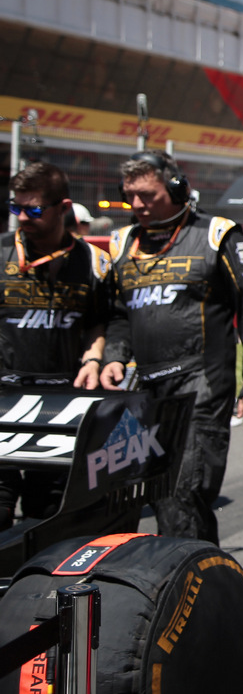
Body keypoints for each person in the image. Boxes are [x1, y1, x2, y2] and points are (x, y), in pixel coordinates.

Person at [100, 151, 243, 543]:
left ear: (177, 188)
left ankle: (189, 595)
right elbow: (118, 314)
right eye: (130, 196)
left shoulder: (217, 234)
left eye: (147, 195)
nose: (137, 205)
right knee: (142, 494)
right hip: (143, 387)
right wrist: (113, 356)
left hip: (201, 383)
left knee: (185, 491)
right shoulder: (122, 242)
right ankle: (193, 588)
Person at [0, 162, 111, 530]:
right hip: (4, 400)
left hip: (62, 408)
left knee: (45, 519)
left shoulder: (93, 262)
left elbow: (107, 317)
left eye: (33, 210)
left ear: (63, 207)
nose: (22, 218)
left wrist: (95, 357)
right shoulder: (1, 254)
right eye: (16, 208)